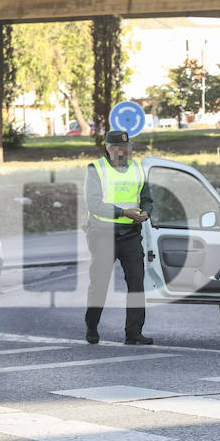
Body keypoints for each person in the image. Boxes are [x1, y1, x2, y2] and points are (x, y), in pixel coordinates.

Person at [84, 130, 154, 346]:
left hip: (130, 234)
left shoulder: (137, 169)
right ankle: (92, 327)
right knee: (100, 283)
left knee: (136, 283)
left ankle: (133, 333)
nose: (123, 151)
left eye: (126, 147)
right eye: (117, 147)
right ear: (108, 148)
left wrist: (146, 212)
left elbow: (147, 198)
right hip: (103, 233)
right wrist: (124, 213)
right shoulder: (96, 169)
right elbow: (93, 203)